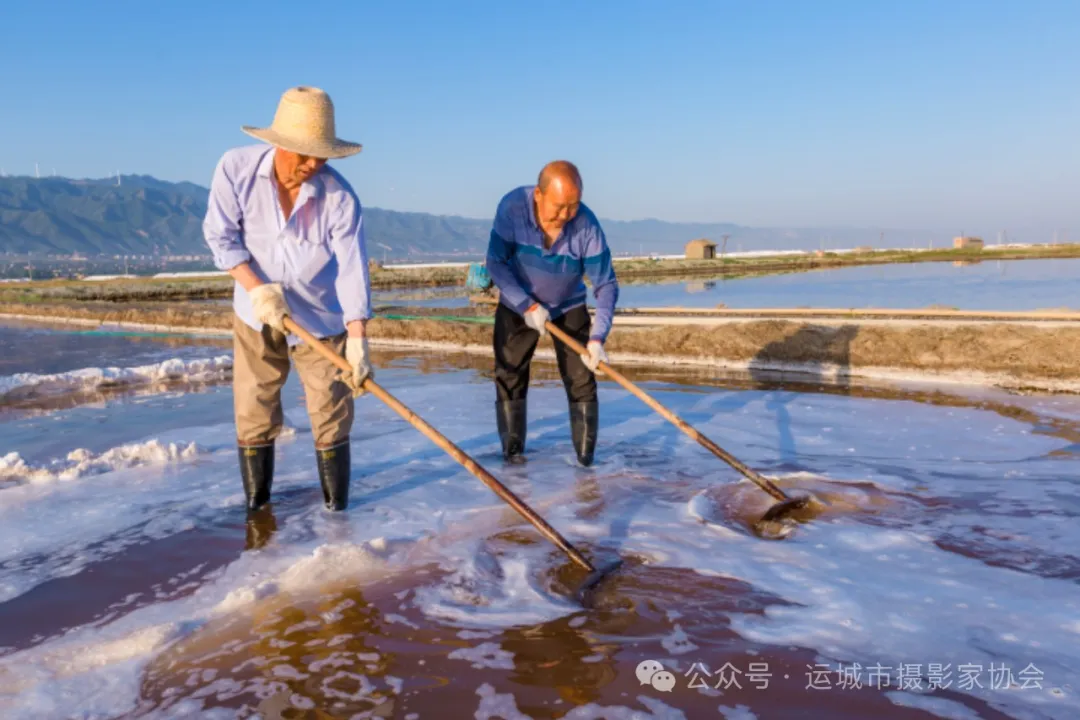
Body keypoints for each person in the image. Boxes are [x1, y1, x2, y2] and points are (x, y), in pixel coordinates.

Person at [202, 86, 373, 513]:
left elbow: (353, 269)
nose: (313, 164)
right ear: (277, 143)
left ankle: (337, 515)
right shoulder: (235, 169)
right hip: (255, 312)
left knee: (331, 409)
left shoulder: (340, 198)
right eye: (303, 154)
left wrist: (357, 339)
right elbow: (220, 236)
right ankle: (257, 510)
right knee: (255, 405)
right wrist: (257, 288)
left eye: (321, 155)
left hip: (320, 318)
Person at [485, 161, 619, 467]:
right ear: (538, 195)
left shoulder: (587, 226)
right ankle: (513, 457)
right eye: (559, 207)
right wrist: (526, 305)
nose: (565, 216)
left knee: (581, 378)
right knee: (509, 374)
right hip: (517, 304)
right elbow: (496, 262)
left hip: (568, 305)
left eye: (573, 206)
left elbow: (606, 284)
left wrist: (598, 339)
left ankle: (585, 464)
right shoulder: (511, 209)